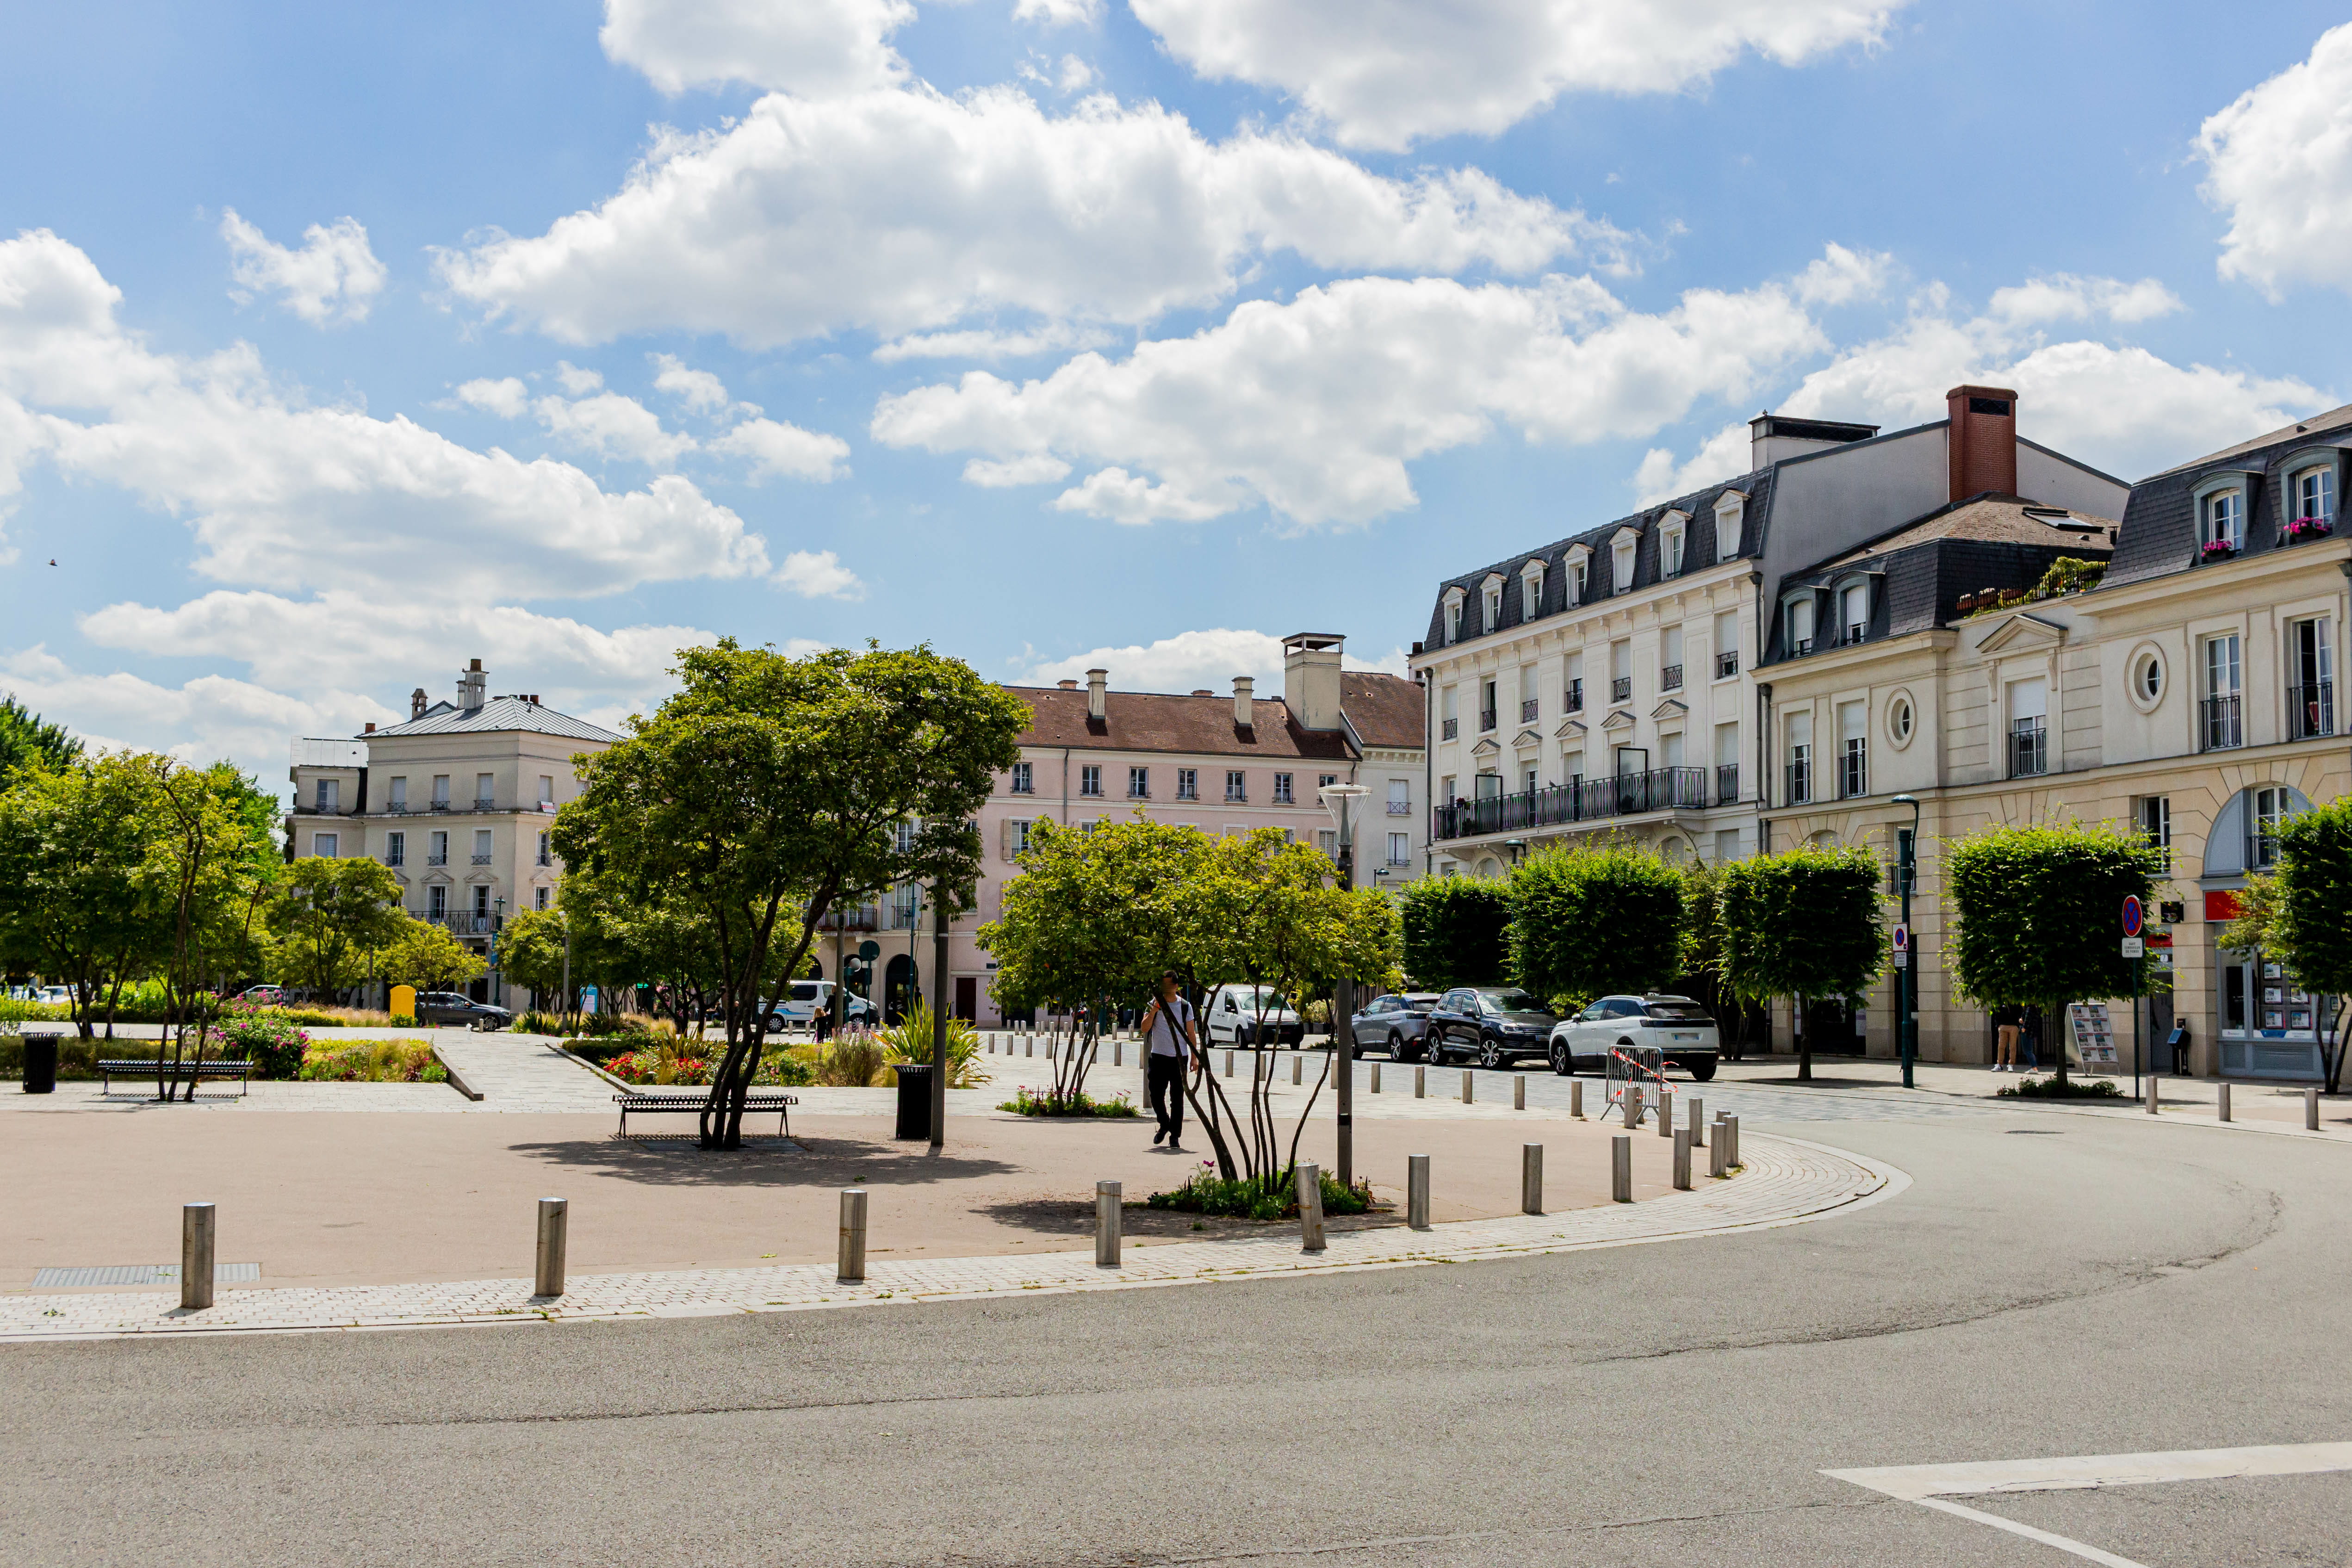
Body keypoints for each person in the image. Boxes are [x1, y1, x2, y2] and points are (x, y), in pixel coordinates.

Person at [1138, 970, 1201, 1149]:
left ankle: (1175, 1136)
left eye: (1169, 985)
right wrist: (1154, 1010)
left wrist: (1194, 1058)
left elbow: (1191, 1034)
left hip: (1179, 1058)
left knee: (1177, 1099)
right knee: (1156, 1095)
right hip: (1158, 1056)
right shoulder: (1154, 1003)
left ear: (1176, 986)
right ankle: (1164, 1123)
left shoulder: (1185, 1007)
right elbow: (1144, 1028)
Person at [1993, 1004, 2019, 1072]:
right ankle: (2000, 1064)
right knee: (2001, 1046)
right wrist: (1999, 1025)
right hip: (2003, 1026)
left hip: (2013, 1026)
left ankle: (2011, 1064)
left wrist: (2017, 1025)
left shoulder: (2015, 1002)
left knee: (2013, 1046)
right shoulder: (2001, 1002)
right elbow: (1997, 1012)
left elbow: (2020, 1011)